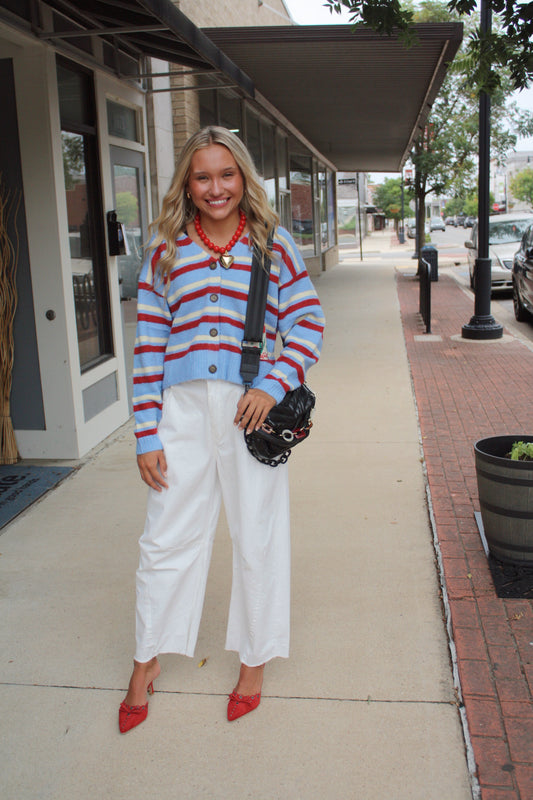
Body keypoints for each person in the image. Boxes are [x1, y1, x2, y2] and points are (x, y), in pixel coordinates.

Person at [119, 126, 325, 733]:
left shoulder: (272, 242)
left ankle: (255, 660)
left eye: (227, 174)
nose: (216, 188)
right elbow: (149, 345)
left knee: (257, 536)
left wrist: (272, 382)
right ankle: (145, 659)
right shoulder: (164, 248)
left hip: (249, 408)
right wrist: (147, 433)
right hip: (181, 410)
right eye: (203, 176)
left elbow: (308, 321)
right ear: (187, 181)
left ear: (244, 179)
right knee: (164, 537)